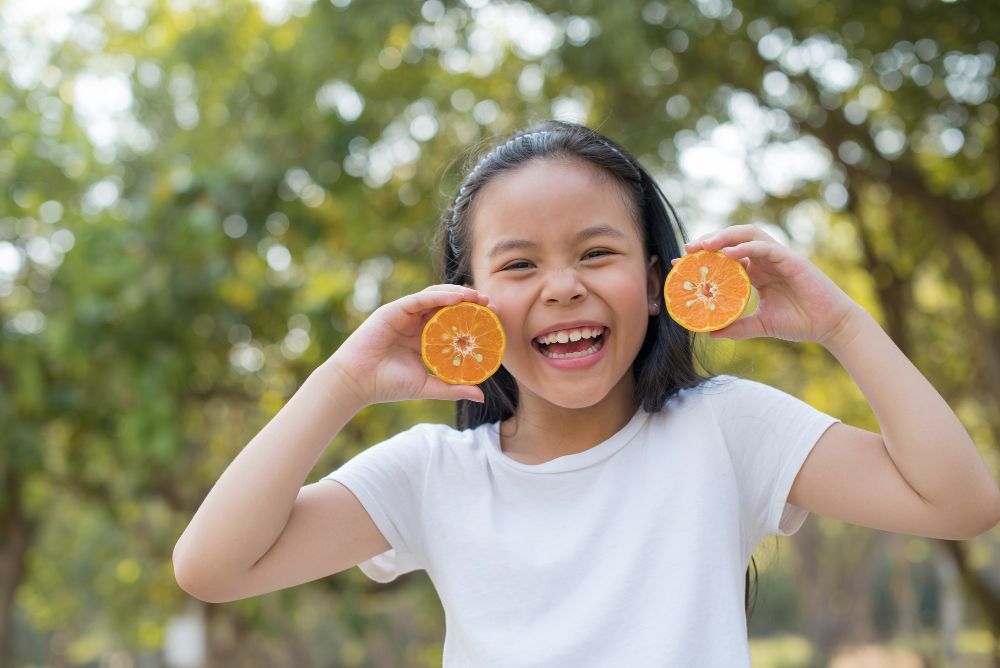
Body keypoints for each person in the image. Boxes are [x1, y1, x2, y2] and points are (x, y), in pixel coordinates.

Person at [172, 120, 1000, 666]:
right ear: (469, 305)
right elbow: (212, 566)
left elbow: (959, 503)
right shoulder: (433, 474)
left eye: (596, 253)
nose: (563, 286)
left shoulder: (726, 431)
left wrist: (842, 324)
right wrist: (344, 382)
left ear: (656, 283)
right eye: (519, 264)